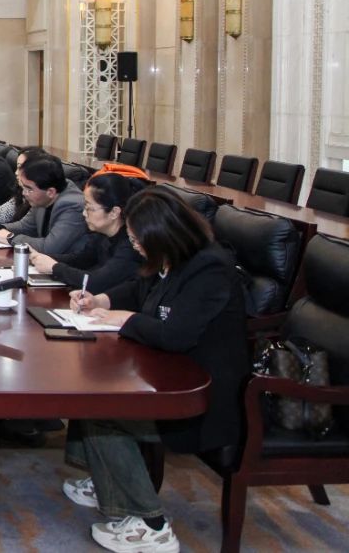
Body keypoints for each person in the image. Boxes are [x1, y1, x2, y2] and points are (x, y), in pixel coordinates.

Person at [61, 187, 247, 553]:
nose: (135, 247)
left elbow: (175, 335)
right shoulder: (171, 257)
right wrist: (101, 300)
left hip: (203, 398)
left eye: (137, 240)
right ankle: (109, 480)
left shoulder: (209, 269)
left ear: (163, 234)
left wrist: (124, 319)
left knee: (103, 409)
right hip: (166, 373)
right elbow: (139, 287)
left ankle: (151, 526)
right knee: (92, 385)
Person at [29, 172, 143, 293]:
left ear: (114, 212)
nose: (84, 213)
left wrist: (54, 267)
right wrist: (40, 257)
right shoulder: (101, 235)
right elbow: (80, 260)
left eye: (89, 208)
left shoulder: (130, 246)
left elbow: (96, 282)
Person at [0, 155, 85, 253]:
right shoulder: (44, 193)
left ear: (50, 192)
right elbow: (25, 226)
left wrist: (10, 238)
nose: (24, 193)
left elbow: (49, 247)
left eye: (29, 189)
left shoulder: (72, 206)